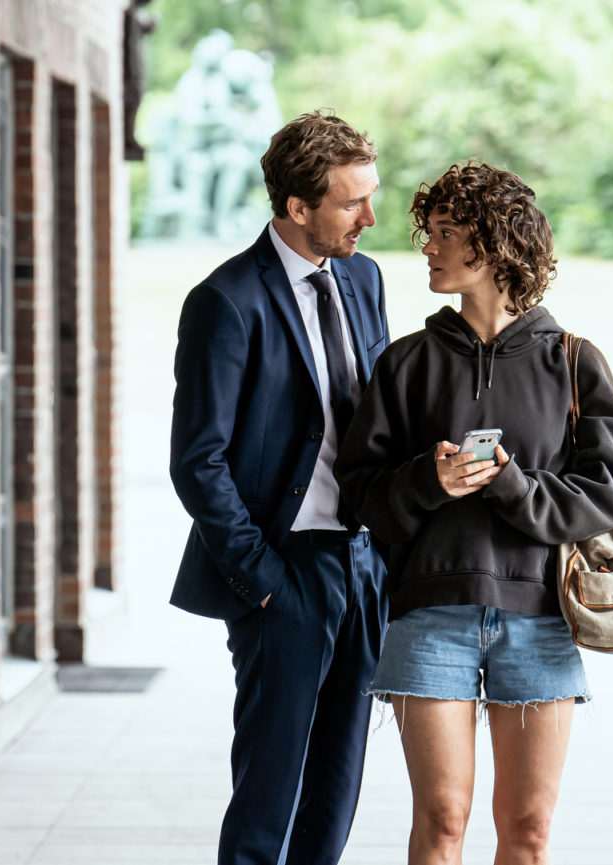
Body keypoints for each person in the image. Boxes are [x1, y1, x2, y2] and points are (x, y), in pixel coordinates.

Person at [335, 161, 613, 865]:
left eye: (446, 232)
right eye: (430, 231)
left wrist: (511, 488)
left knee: (527, 829)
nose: (428, 247)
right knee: (442, 819)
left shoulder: (573, 362)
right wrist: (430, 481)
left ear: (494, 243)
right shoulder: (405, 363)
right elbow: (358, 491)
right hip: (429, 617)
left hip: (539, 618)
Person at [168, 110, 391, 865]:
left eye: (371, 194)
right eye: (351, 202)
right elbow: (198, 459)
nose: (370, 216)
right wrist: (262, 579)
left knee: (337, 783)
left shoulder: (363, 276)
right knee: (269, 794)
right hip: (283, 570)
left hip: (362, 565)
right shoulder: (225, 301)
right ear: (298, 208)